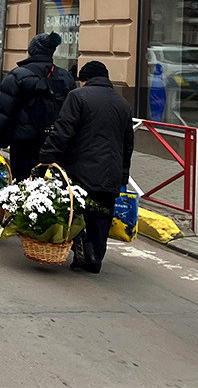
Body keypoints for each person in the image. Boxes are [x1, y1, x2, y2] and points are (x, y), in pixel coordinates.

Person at [38, 61, 133, 274]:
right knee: (101, 216)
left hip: (81, 169)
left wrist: (46, 156)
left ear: (84, 79)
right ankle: (95, 258)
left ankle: (81, 252)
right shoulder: (123, 103)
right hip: (110, 173)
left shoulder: (78, 96)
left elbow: (63, 131)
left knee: (77, 211)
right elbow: (128, 145)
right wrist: (123, 175)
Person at [0, 33, 75, 182]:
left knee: (22, 182)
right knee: (47, 185)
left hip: (23, 141)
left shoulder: (18, 75)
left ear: (31, 51)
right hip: (53, 141)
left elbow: (2, 112)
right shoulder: (65, 76)